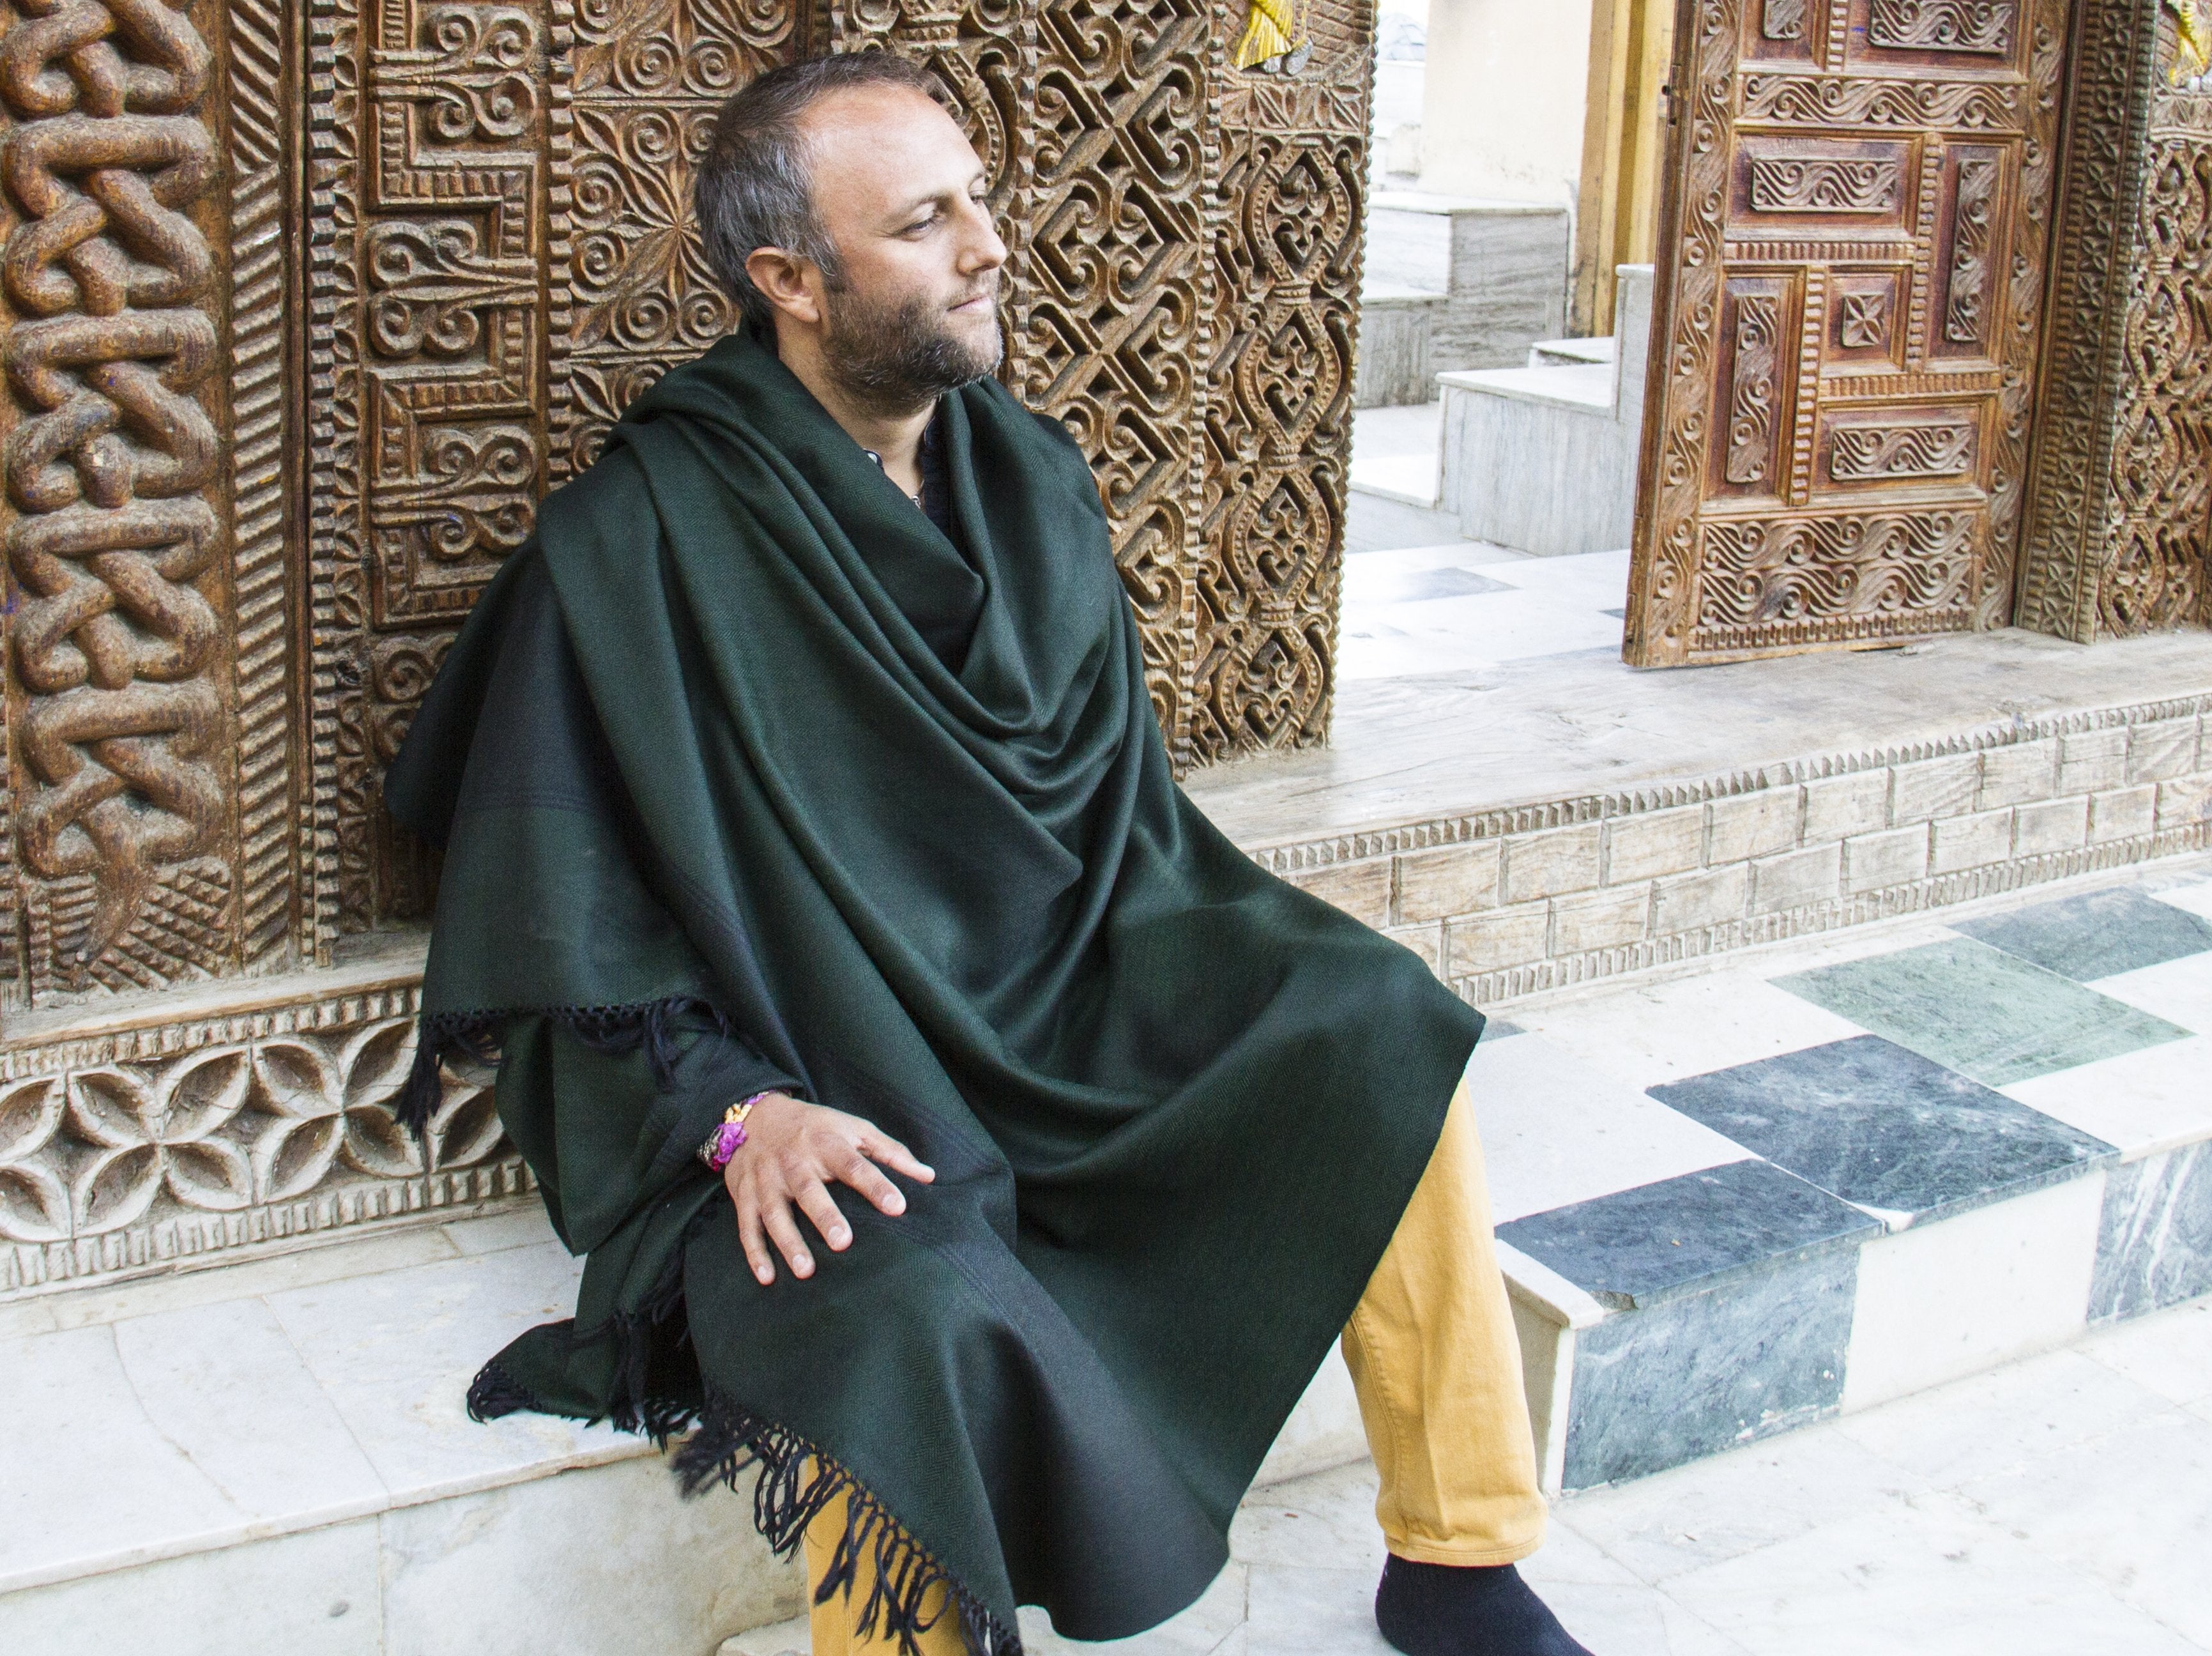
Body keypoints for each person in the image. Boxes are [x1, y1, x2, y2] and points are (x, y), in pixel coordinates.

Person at [385, 49, 1593, 1656]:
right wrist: (738, 1118)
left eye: (982, 200)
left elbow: (1119, 832)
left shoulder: (1026, 479)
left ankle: (1457, 1562)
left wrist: (1217, 984)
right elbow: (561, 927)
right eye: (925, 220)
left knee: (1374, 1025)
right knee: (890, 1310)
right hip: (826, 1062)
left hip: (1064, 1003)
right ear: (790, 283)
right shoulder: (639, 542)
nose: (988, 244)